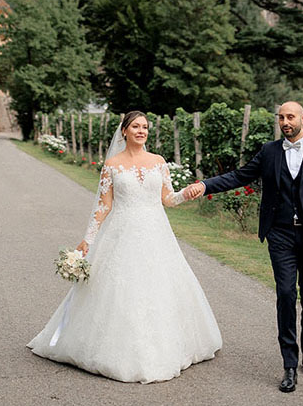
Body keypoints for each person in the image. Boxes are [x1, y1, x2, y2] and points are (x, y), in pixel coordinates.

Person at [28, 111, 222, 383]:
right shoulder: (112, 165)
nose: (141, 131)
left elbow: (168, 199)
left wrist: (185, 194)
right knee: (119, 288)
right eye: (136, 126)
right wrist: (88, 238)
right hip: (122, 233)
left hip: (157, 233)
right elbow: (104, 206)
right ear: (125, 132)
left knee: (160, 287)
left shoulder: (158, 162)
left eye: (145, 127)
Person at [183, 101, 303, 393]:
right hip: (280, 234)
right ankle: (289, 364)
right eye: (281, 117)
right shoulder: (269, 152)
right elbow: (239, 176)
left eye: (290, 117)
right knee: (286, 294)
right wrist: (206, 185)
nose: (285, 122)